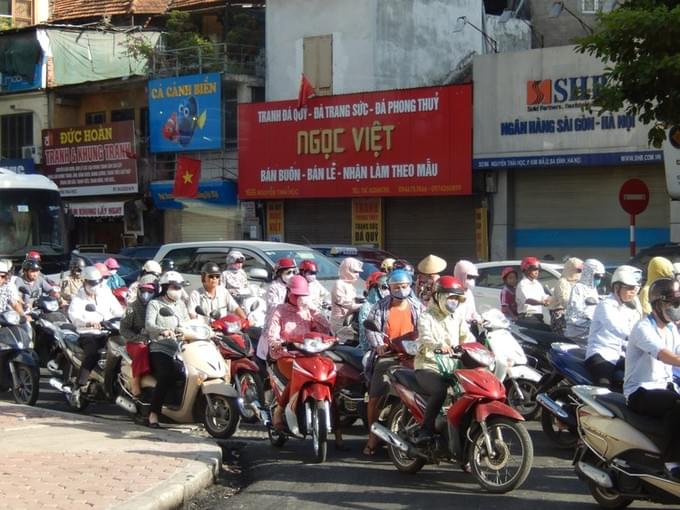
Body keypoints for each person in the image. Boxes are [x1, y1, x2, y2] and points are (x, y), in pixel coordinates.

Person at [261, 276, 337, 441]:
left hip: (309, 354)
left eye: (302, 295)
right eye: (296, 294)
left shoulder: (308, 311)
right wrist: (279, 343)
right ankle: (279, 411)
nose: (299, 298)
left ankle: (336, 426)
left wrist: (313, 310)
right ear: (288, 292)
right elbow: (271, 335)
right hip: (286, 355)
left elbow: (325, 329)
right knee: (296, 373)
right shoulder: (279, 310)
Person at [624, 277, 680, 481]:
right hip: (640, 390)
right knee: (677, 406)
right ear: (657, 303)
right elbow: (665, 355)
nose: (676, 308)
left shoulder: (672, 329)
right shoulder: (643, 328)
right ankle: (671, 463)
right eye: (672, 303)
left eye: (678, 303)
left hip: (665, 386)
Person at [363, 269, 424, 455]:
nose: (400, 290)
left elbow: (425, 328)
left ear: (410, 286)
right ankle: (372, 436)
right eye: (396, 287)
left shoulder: (417, 307)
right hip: (389, 355)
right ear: (389, 288)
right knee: (375, 396)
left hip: (413, 356)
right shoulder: (380, 307)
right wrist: (379, 345)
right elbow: (371, 329)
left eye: (404, 286)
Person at [414, 276, 471, 443]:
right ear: (439, 296)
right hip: (428, 365)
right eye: (450, 297)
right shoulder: (427, 316)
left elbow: (467, 337)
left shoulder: (458, 317)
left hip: (453, 367)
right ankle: (426, 429)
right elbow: (425, 337)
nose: (454, 301)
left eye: (456, 298)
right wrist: (439, 345)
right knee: (440, 391)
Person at [144, 271, 190, 428]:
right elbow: (149, 325)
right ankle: (153, 414)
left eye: (179, 287)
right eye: (174, 287)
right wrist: (162, 330)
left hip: (179, 349)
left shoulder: (181, 305)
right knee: (165, 375)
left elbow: (187, 323)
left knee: (187, 374)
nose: (177, 290)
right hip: (160, 348)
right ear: (165, 288)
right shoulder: (155, 304)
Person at [68, 266, 124, 393]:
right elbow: (74, 317)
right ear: (84, 281)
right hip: (88, 333)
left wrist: (123, 317)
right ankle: (79, 385)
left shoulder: (105, 292)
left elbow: (117, 310)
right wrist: (89, 323)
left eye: (97, 282)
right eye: (91, 283)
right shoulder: (78, 298)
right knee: (93, 354)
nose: (95, 285)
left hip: (109, 331)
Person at [585, 265, 642, 389]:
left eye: (636, 289)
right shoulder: (605, 305)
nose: (634, 292)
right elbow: (617, 328)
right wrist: (640, 338)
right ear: (617, 287)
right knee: (603, 389)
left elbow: (640, 326)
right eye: (630, 288)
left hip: (622, 356)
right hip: (602, 355)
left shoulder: (631, 307)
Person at [120, 274, 158, 397]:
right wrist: (139, 338)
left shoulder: (159, 306)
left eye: (150, 291)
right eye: (144, 290)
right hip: (136, 341)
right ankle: (135, 382)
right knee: (142, 349)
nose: (146, 293)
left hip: (157, 340)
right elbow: (124, 329)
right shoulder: (132, 308)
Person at [255, 258, 298, 364]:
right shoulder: (273, 288)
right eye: (288, 272)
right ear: (279, 273)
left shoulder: (295, 286)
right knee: (271, 359)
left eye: (294, 272)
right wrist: (288, 307)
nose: (292, 275)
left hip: (290, 327)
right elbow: (274, 306)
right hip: (274, 325)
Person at [564, 258, 605, 341]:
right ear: (589, 274)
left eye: (600, 277)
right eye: (597, 277)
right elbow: (575, 312)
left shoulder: (593, 290)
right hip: (578, 332)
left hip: (591, 330)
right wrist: (589, 318)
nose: (599, 280)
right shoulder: (578, 288)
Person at [330, 257, 363, 343]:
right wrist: (361, 306)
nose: (357, 275)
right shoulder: (339, 284)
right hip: (340, 322)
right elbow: (343, 302)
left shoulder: (350, 285)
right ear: (346, 270)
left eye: (358, 272)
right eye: (355, 272)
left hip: (350, 320)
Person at [549, 257, 583, 335]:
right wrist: (578, 306)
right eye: (578, 270)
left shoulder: (578, 284)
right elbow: (564, 301)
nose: (580, 273)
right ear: (570, 269)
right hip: (560, 316)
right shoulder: (563, 282)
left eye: (581, 271)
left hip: (574, 316)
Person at [515, 256, 551, 330]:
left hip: (538, 316)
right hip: (527, 316)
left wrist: (552, 299)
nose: (536, 271)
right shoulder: (523, 284)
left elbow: (544, 296)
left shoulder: (537, 283)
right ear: (526, 270)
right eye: (534, 269)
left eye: (537, 269)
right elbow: (528, 300)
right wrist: (542, 303)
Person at [357, 271, 389, 352]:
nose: (388, 291)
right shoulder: (367, 307)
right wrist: (376, 348)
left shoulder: (389, 304)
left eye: (389, 287)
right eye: (384, 287)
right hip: (374, 351)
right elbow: (365, 334)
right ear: (374, 288)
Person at [453, 260, 480, 324]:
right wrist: (468, 320)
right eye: (469, 277)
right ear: (460, 275)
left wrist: (479, 319)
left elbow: (473, 311)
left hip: (470, 327)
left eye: (474, 277)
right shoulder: (453, 293)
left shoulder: (469, 292)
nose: (472, 280)